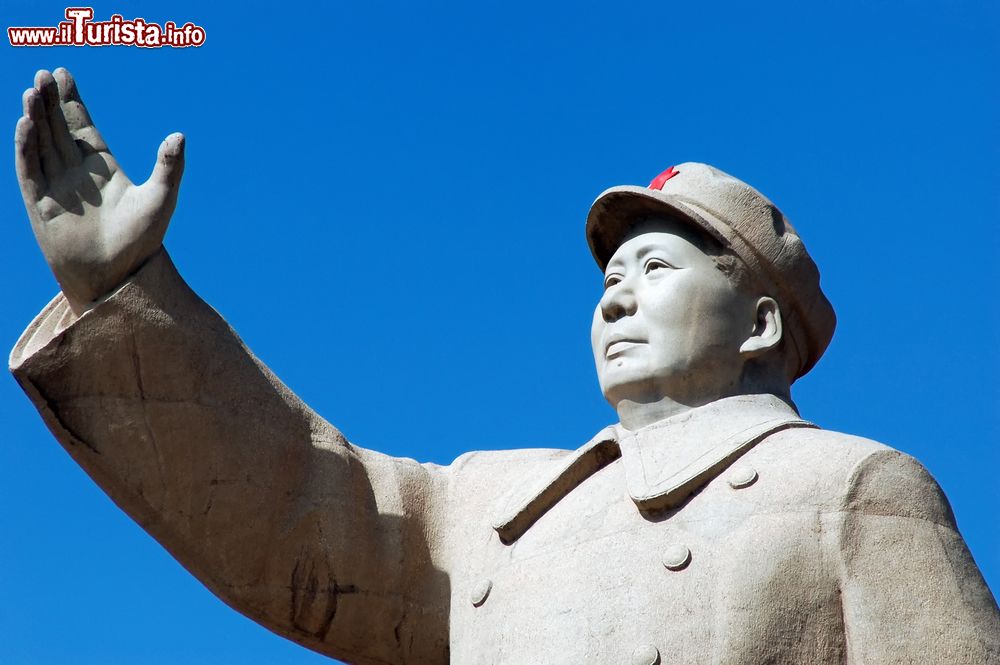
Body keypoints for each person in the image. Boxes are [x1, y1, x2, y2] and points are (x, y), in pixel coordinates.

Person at [11, 68, 999, 664]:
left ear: (758, 323)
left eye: (656, 268)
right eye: (608, 276)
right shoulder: (492, 506)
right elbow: (290, 501)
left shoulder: (853, 490)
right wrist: (125, 290)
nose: (613, 296)